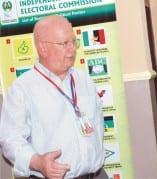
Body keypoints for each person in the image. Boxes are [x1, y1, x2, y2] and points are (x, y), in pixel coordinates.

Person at [0, 15, 107, 179]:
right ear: (43, 48)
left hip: (97, 175)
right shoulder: (22, 89)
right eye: (65, 43)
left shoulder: (83, 79)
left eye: (73, 42)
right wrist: (37, 162)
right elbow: (10, 140)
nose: (72, 49)